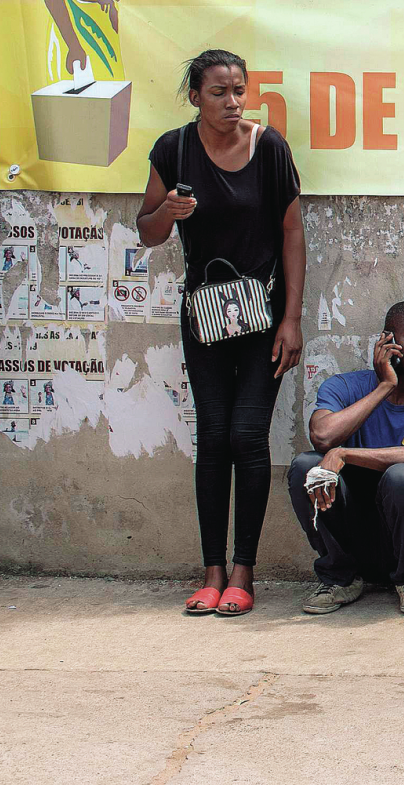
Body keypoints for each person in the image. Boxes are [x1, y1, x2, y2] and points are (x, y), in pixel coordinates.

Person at [137, 50, 305, 618]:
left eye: (239, 91)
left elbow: (292, 231)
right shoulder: (173, 148)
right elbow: (147, 230)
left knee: (246, 434)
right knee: (212, 436)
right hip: (203, 315)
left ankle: (243, 572)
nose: (233, 103)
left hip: (263, 315)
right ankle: (210, 572)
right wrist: (171, 212)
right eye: (219, 93)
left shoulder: (270, 148)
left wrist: (293, 318)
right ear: (194, 97)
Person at [287, 302, 404, 616]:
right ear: (387, 341)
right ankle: (340, 577)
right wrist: (385, 386)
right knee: (307, 466)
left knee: (403, 475)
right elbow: (322, 437)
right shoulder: (344, 386)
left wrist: (344, 454)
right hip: (354, 537)